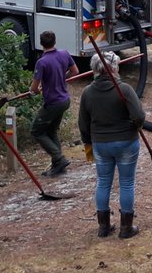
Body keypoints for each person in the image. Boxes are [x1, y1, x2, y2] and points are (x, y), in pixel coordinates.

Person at [78, 51, 145, 239]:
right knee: (127, 182)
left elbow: (83, 123)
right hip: (126, 142)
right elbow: (139, 116)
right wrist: (135, 125)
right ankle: (126, 228)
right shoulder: (124, 90)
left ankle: (103, 227)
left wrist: (87, 142)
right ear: (114, 68)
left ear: (95, 69)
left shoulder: (87, 92)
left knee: (103, 181)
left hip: (100, 144)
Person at [29, 30, 79, 177]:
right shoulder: (64, 54)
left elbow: (34, 88)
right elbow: (75, 71)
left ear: (41, 43)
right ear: (55, 41)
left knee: (36, 131)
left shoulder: (42, 62)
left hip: (53, 103)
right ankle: (58, 166)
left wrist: (35, 90)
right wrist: (62, 77)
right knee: (51, 131)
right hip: (64, 100)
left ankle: (59, 158)